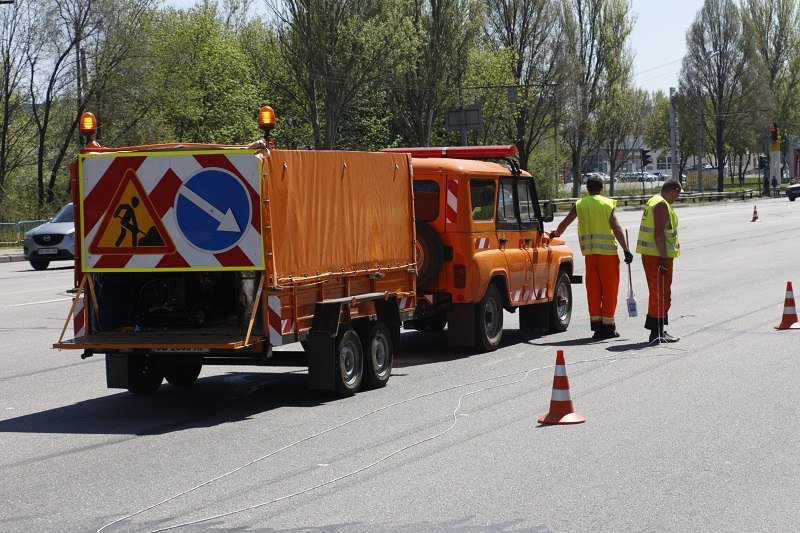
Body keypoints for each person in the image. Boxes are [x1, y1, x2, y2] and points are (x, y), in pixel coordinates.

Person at [550, 175, 633, 339]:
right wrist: (626, 250)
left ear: (587, 189)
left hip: (590, 255)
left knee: (593, 290)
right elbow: (616, 227)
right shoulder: (607, 203)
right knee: (609, 290)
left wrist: (556, 233)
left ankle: (596, 326)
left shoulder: (580, 204)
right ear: (602, 188)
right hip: (608, 255)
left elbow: (565, 223)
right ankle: (608, 327)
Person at [636, 178, 681, 343]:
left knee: (659, 292)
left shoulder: (654, 200)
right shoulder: (661, 204)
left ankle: (659, 329)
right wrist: (663, 257)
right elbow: (659, 233)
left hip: (653, 254)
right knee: (660, 293)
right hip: (657, 256)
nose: (677, 198)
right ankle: (656, 332)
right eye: (678, 195)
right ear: (674, 191)